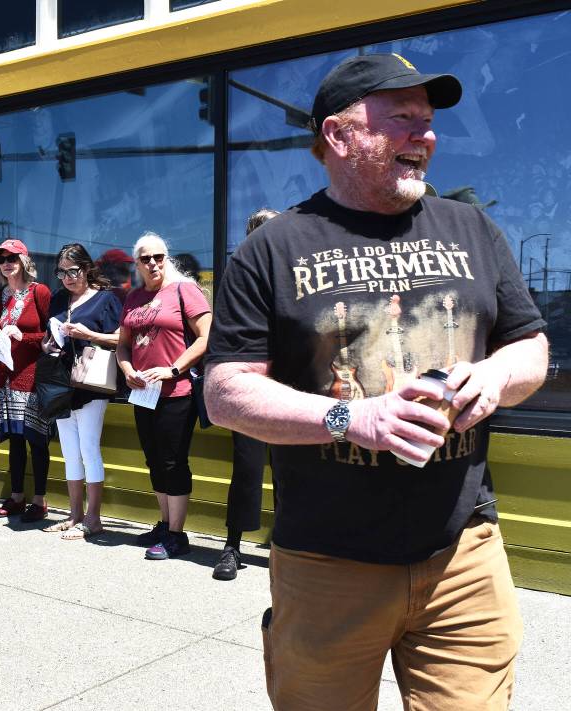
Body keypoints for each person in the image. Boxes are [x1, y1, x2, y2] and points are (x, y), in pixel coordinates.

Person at [204, 54, 548, 709]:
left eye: (429, 120)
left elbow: (529, 343)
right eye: (404, 119)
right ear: (339, 136)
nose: (428, 134)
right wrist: (349, 418)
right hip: (327, 565)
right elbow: (225, 392)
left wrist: (497, 377)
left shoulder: (472, 228)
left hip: (463, 556)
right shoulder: (273, 248)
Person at [116, 232, 211, 560]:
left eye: (159, 257)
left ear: (166, 258)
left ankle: (176, 535)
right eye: (146, 259)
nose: (153, 263)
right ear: (137, 263)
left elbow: (205, 338)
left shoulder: (185, 290)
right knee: (154, 460)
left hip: (177, 392)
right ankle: (164, 523)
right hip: (143, 394)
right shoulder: (133, 298)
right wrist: (127, 370)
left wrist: (174, 369)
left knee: (173, 461)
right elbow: (123, 343)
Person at [212, 207, 280, 581]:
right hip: (251, 387)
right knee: (247, 467)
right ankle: (232, 546)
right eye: (263, 233)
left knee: (290, 470)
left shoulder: (294, 276)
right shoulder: (238, 280)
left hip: (292, 387)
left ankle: (290, 548)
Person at [41, 243, 121, 539]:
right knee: (70, 452)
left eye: (73, 271)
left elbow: (121, 337)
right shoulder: (59, 299)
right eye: (61, 272)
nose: (67, 278)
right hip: (61, 382)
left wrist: (89, 335)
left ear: (86, 269)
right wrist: (46, 344)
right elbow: (47, 335)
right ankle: (74, 516)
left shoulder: (106, 300)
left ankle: (93, 518)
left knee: (89, 448)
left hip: (91, 383)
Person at [0, 238, 52, 522]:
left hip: (33, 375)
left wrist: (25, 337)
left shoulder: (40, 292)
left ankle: (40, 500)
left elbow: (53, 336)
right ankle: (16, 497)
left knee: (36, 439)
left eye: (11, 258)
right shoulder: (0, 296)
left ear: (23, 261)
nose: (6, 264)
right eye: (1, 260)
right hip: (7, 376)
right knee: (14, 438)